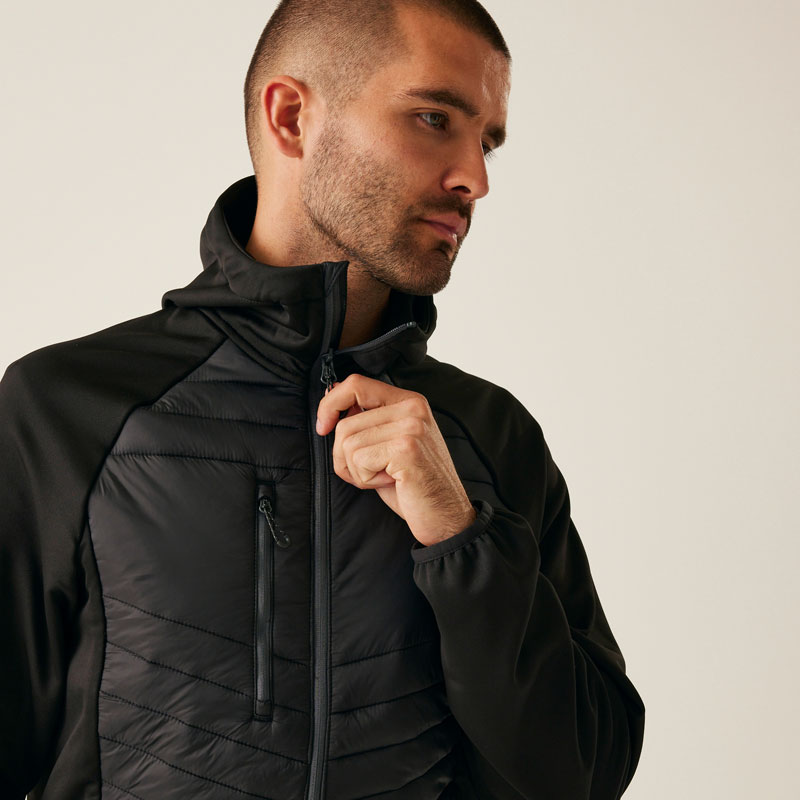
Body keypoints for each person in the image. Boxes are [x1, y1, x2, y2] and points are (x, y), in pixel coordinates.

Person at [0, 0, 645, 797]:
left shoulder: (490, 437)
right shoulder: (71, 411)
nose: (474, 179)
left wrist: (462, 539)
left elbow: (581, 778)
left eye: (487, 143)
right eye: (435, 119)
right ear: (292, 117)